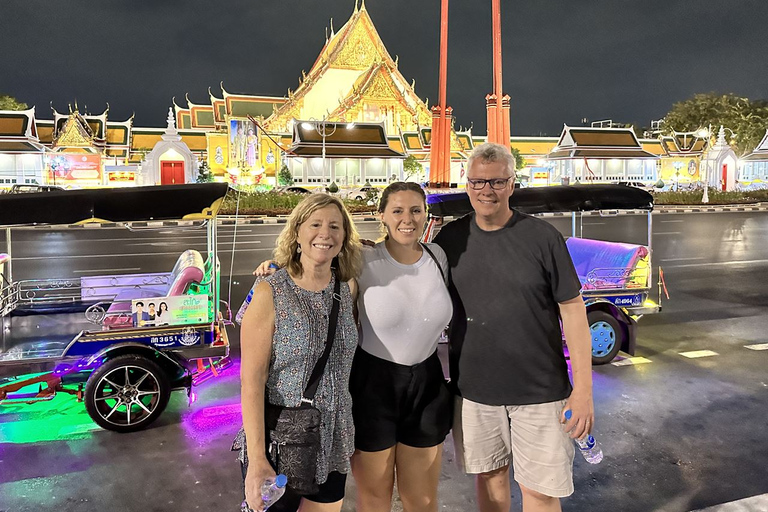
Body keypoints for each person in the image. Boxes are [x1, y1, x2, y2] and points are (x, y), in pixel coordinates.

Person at [255, 182, 453, 512]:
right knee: (375, 497)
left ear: (426, 215)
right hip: (373, 385)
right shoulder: (363, 259)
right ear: (382, 217)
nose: (408, 219)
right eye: (398, 211)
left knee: (422, 499)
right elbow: (314, 268)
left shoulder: (438, 256)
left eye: (416, 210)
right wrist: (276, 268)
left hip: (427, 386)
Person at [432, 142, 594, 512]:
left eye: (497, 182)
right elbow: (409, 277)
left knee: (540, 492)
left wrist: (583, 390)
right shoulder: (450, 241)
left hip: (540, 392)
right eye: (477, 183)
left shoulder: (542, 238)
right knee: (490, 484)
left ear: (512, 185)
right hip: (474, 391)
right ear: (467, 184)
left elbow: (572, 309)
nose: (486, 191)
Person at [237, 193, 363, 512]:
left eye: (335, 226)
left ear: (345, 236)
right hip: (283, 440)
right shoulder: (270, 292)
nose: (325, 234)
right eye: (315, 224)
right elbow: (252, 382)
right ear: (296, 233)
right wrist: (257, 461)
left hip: (334, 436)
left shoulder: (347, 289)